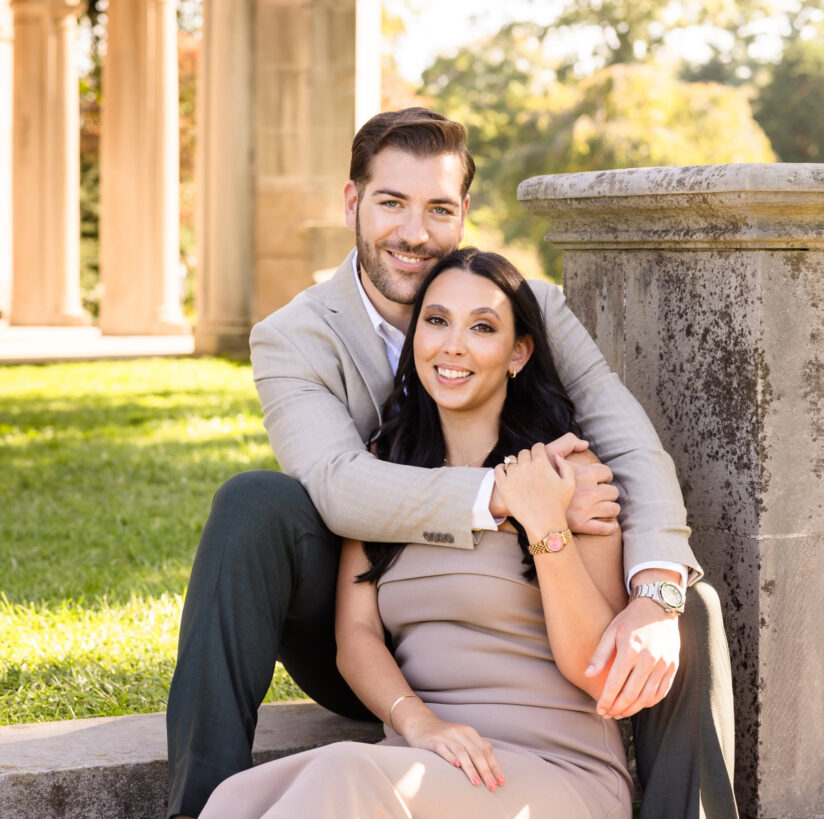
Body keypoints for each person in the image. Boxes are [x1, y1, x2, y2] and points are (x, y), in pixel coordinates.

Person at [166, 108, 737, 819]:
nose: (414, 232)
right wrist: (510, 494)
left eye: (437, 208)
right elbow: (343, 491)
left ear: (463, 213)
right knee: (253, 504)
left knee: (689, 610)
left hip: (540, 698)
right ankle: (194, 801)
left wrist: (654, 591)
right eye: (391, 203)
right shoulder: (295, 337)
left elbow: (630, 444)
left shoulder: (534, 313)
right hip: (373, 624)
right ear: (353, 203)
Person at [199, 248, 634, 817]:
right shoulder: (385, 469)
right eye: (436, 321)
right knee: (240, 797)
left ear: (518, 353)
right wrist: (419, 723)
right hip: (427, 751)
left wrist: (546, 522)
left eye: (482, 327)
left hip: (555, 768)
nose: (453, 345)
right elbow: (356, 636)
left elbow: (596, 673)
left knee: (343, 771)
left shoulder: (570, 476)